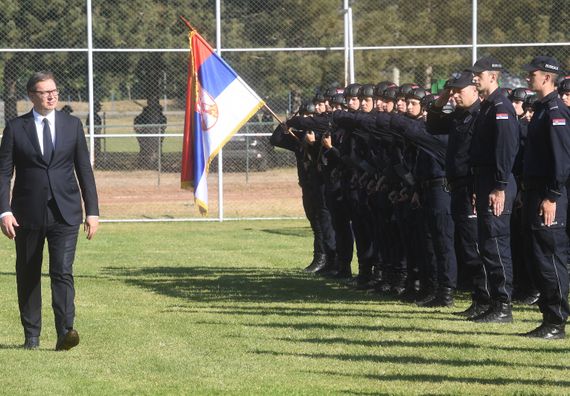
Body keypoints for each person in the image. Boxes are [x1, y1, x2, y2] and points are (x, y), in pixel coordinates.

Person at [0, 71, 99, 350]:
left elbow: (84, 171)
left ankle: (65, 332)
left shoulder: (71, 125)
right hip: (26, 215)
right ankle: (31, 336)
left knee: (62, 271)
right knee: (28, 272)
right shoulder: (16, 128)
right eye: (45, 92)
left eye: (54, 90)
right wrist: (4, 211)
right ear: (32, 96)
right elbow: (4, 173)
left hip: (65, 213)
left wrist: (92, 211)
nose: (52, 95)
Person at [521, 56, 570, 339]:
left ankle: (556, 321)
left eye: (532, 74)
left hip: (549, 194)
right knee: (538, 256)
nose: (528, 78)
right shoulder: (542, 109)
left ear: (547, 78)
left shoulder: (555, 112)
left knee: (550, 256)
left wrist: (552, 195)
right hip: (535, 191)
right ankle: (548, 317)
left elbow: (562, 159)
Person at [468, 56, 520, 323]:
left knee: (497, 245)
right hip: (486, 181)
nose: (475, 78)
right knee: (488, 245)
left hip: (497, 183)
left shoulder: (501, 106)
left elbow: (506, 149)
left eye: (479, 74)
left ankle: (503, 306)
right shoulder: (488, 106)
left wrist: (499, 186)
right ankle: (493, 302)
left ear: (493, 76)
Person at [134, 96, 167, 168]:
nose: (152, 103)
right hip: (145, 134)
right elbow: (137, 122)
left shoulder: (159, 111)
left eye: (154, 101)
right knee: (144, 148)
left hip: (157, 133)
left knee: (157, 148)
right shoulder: (144, 113)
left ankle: (157, 163)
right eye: (151, 101)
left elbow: (163, 123)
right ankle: (144, 163)